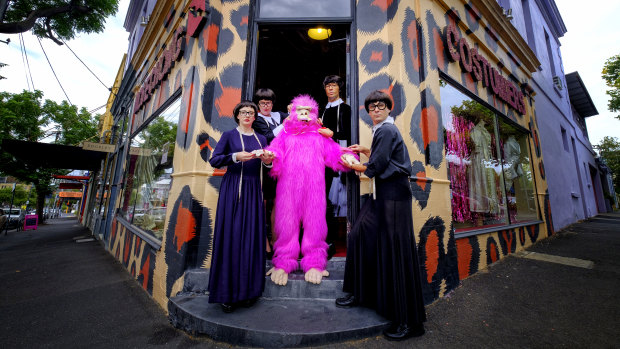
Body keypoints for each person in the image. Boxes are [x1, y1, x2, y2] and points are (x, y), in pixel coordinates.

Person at [337, 90, 426, 341]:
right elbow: (382, 159)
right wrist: (367, 151)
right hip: (383, 194)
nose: (376, 110)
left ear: (389, 109)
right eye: (372, 107)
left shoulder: (386, 130)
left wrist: (354, 165)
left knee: (398, 252)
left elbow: (377, 167)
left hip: (394, 194)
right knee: (359, 234)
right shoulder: (382, 131)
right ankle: (360, 293)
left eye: (380, 106)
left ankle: (410, 322)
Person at [208, 100, 275, 313]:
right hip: (233, 190)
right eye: (243, 112)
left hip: (254, 190)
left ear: (255, 117)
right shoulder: (229, 136)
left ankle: (248, 291)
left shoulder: (262, 138)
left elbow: (268, 166)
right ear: (237, 115)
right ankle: (226, 294)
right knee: (232, 237)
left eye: (251, 112)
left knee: (252, 238)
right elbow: (215, 160)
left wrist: (267, 160)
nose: (247, 115)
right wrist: (235, 157)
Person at [252, 88, 289, 258]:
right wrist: (286, 123)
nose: (265, 106)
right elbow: (267, 137)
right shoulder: (256, 119)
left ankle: (275, 241)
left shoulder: (280, 115)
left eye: (268, 102)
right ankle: (264, 243)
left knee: (277, 203)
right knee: (263, 203)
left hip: (282, 163)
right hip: (263, 165)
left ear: (273, 103)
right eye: (261, 103)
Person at [320, 75, 352, 254]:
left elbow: (348, 132)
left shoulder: (345, 108)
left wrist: (331, 134)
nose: (331, 89)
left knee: (340, 197)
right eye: (328, 86)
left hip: (340, 157)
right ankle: (327, 239)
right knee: (326, 201)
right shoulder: (322, 110)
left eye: (334, 86)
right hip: (323, 158)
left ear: (340, 88)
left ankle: (338, 241)